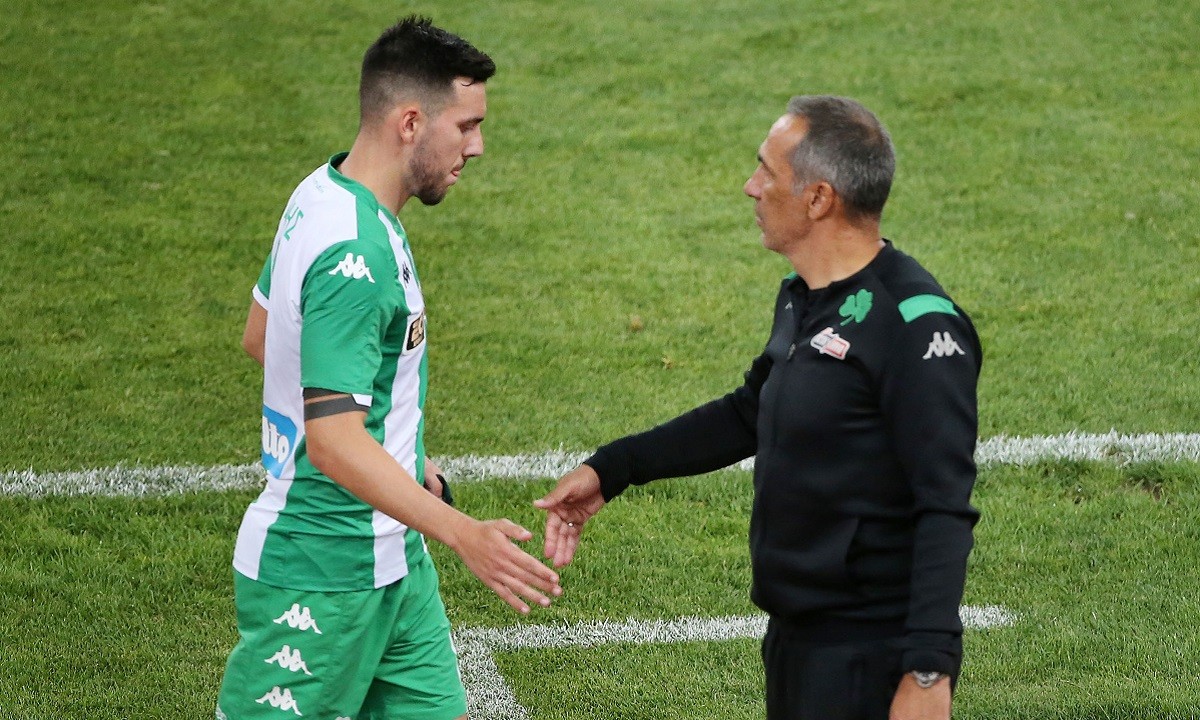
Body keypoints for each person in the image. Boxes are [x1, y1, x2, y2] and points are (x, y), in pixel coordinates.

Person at [535, 95, 982, 720]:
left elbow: (944, 504)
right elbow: (751, 411)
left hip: (870, 656)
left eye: (767, 171)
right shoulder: (805, 297)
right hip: (797, 639)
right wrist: (614, 468)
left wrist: (929, 671)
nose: (751, 187)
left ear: (818, 198)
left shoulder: (917, 326)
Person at [218, 16, 562, 720]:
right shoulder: (357, 255)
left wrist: (403, 459)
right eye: (465, 127)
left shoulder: (323, 194)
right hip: (323, 574)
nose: (477, 146)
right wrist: (461, 531)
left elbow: (264, 336)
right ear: (410, 122)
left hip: (393, 563)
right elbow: (333, 441)